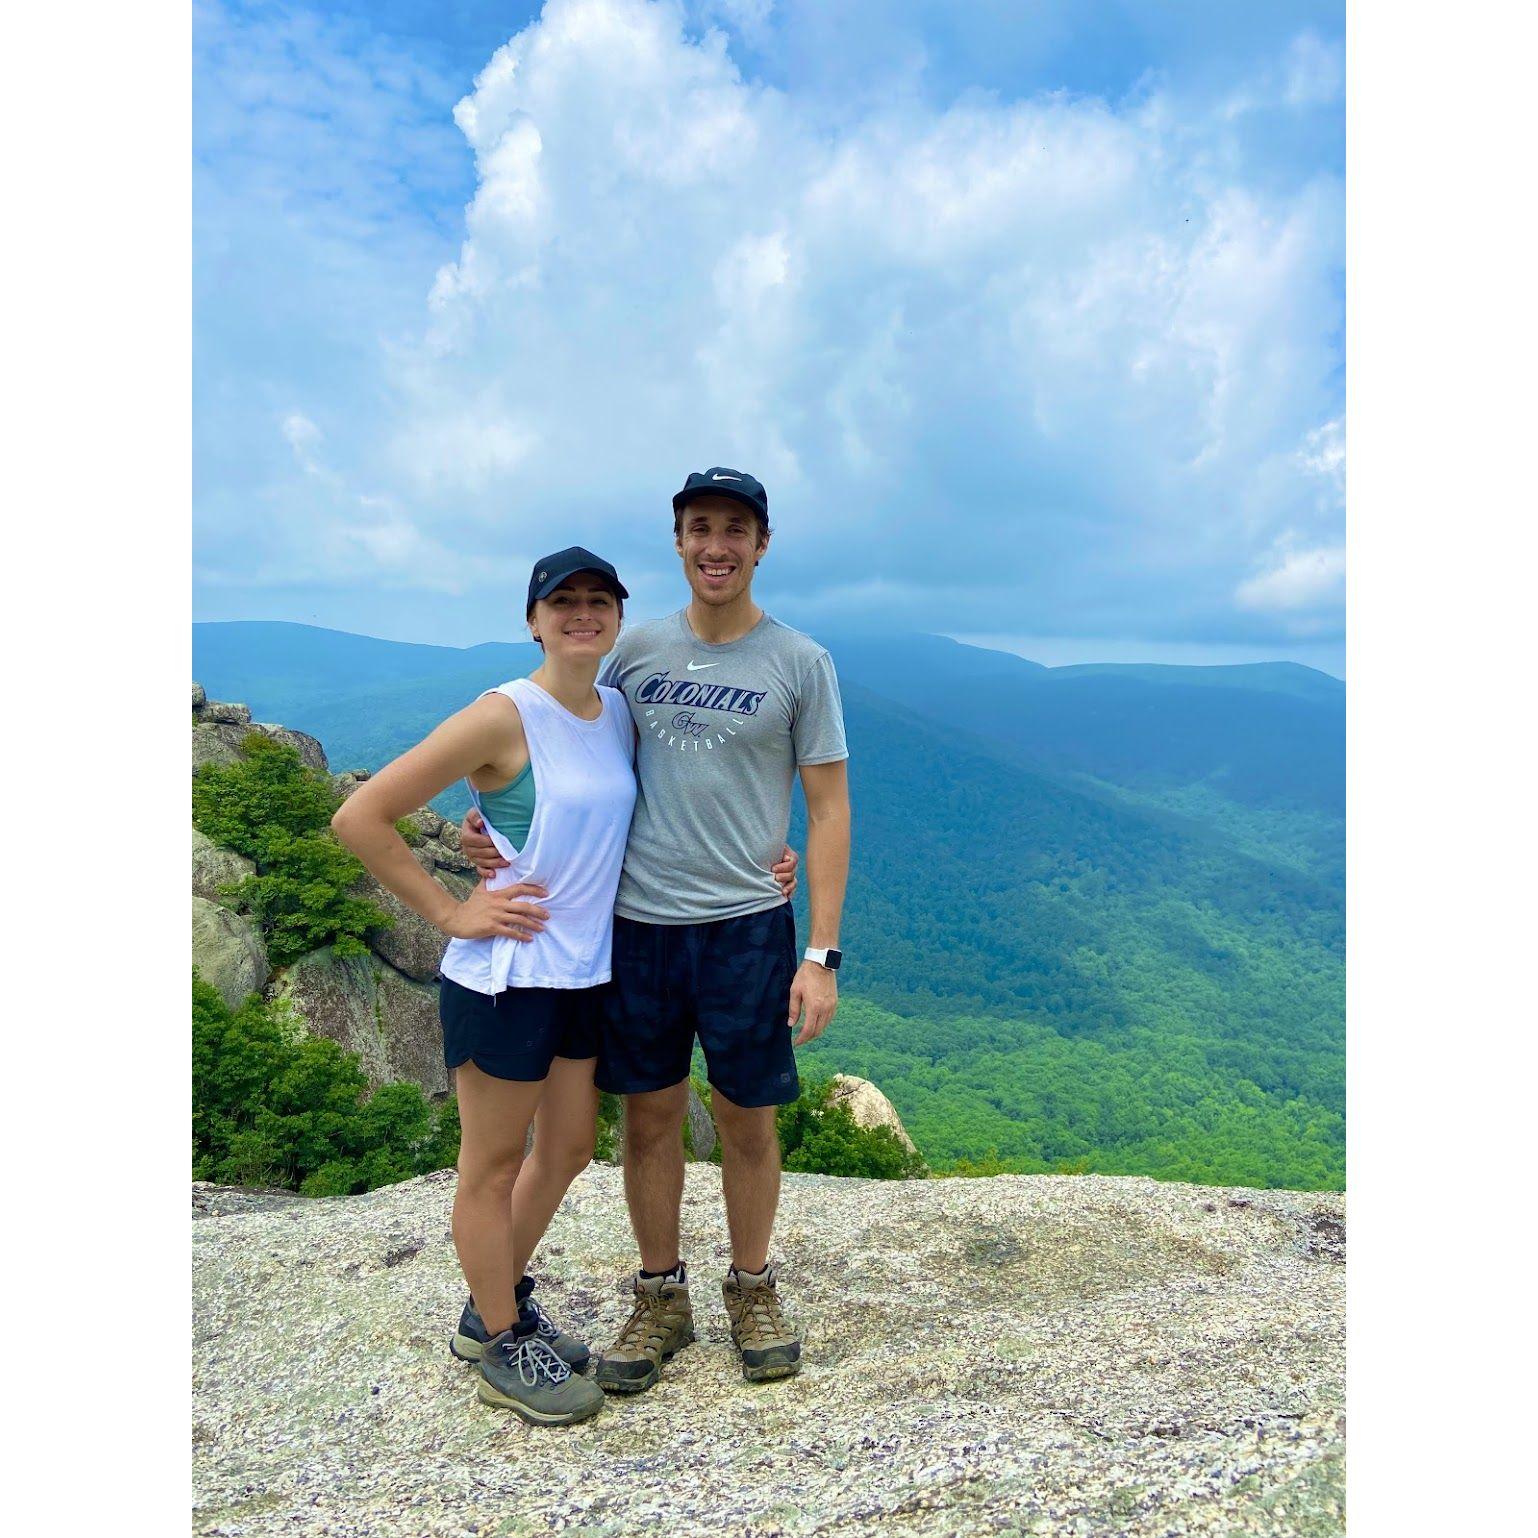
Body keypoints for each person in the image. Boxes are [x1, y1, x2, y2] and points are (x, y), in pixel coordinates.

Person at [463, 467, 851, 1392]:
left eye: (736, 529)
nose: (717, 545)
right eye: (700, 527)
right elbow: (563, 743)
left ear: (763, 545)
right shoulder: (633, 651)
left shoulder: (800, 662)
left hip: (749, 926)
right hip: (637, 924)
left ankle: (751, 1285)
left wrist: (821, 953)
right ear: (678, 541)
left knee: (747, 1117)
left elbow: (829, 810)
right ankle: (659, 1292)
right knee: (650, 1116)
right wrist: (495, 833)